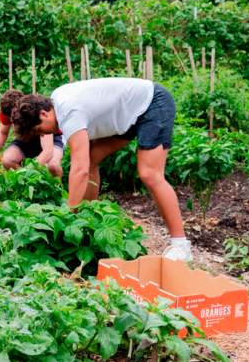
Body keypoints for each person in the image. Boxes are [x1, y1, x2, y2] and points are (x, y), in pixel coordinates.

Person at [11, 78, 192, 261]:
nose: (43, 134)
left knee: (149, 173)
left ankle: (181, 246)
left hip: (152, 103)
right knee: (91, 160)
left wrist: (68, 216)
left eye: (39, 130)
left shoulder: (69, 112)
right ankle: (89, 220)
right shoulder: (58, 102)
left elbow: (78, 169)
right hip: (128, 114)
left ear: (44, 114)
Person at [0, 89, 63, 177]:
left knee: (53, 166)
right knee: (7, 160)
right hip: (25, 142)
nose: (14, 123)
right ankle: (28, 184)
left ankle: (56, 187)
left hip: (50, 140)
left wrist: (29, 171)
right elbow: (3, 132)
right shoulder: (7, 111)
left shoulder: (33, 113)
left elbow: (48, 151)